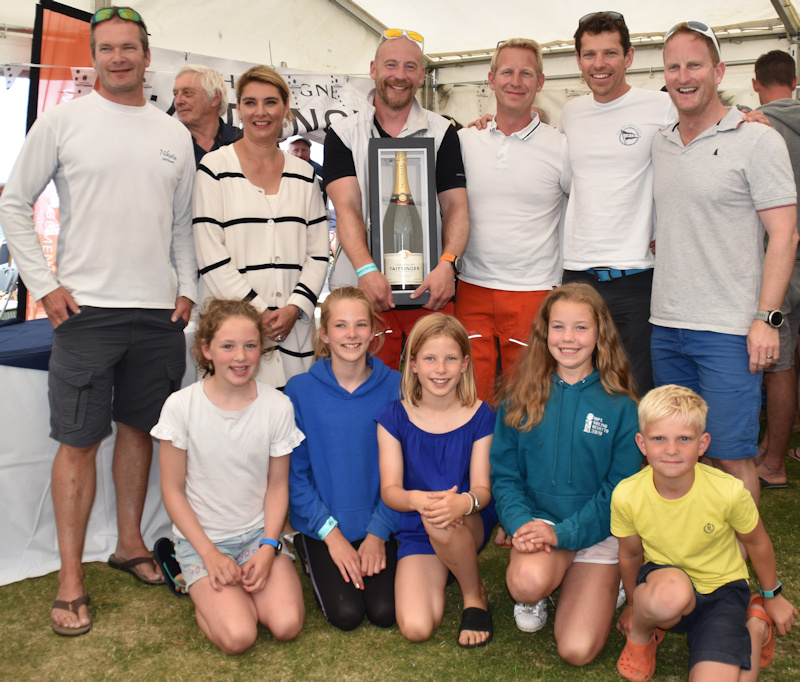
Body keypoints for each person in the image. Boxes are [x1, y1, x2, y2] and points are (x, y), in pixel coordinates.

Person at [0, 6, 197, 636]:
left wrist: (188, 289)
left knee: (141, 431)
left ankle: (130, 543)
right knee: (78, 441)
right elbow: (13, 201)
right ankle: (69, 579)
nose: (118, 58)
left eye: (129, 48)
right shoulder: (62, 121)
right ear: (93, 55)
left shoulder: (172, 135)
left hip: (158, 314)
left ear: (147, 54)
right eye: (106, 48)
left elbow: (181, 226)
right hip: (85, 312)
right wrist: (44, 284)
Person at [650, 22, 798, 507]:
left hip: (730, 330)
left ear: (718, 71)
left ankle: (734, 581)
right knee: (681, 457)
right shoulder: (661, 142)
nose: (683, 76)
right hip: (666, 324)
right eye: (674, 66)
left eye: (695, 65)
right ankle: (692, 561)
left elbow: (785, 234)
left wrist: (766, 319)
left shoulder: (757, 139)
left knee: (734, 460)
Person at [490, 283, 641, 665]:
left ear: (600, 334)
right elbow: (505, 475)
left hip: (597, 531)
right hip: (540, 526)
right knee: (526, 584)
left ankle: (604, 582)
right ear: (544, 333)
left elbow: (619, 491)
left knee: (576, 650)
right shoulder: (518, 395)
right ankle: (545, 587)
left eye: (580, 328)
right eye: (558, 327)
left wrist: (566, 533)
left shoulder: (622, 406)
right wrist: (520, 523)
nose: (568, 338)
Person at [612, 384, 798, 681]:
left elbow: (758, 543)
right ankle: (643, 636)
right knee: (669, 594)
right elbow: (630, 553)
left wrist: (772, 595)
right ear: (642, 443)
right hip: (668, 587)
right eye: (659, 438)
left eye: (684, 439)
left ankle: (755, 623)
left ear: (702, 444)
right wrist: (635, 607)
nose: (671, 450)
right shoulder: (627, 494)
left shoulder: (729, 491)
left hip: (722, 593)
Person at [153, 299, 305, 654]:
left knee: (286, 625)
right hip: (204, 542)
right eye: (228, 346)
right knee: (240, 636)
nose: (241, 357)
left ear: (262, 349)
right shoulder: (181, 406)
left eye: (250, 345)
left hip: (257, 536)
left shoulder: (277, 407)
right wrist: (210, 555)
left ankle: (230, 595)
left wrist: (269, 546)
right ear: (206, 350)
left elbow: (277, 485)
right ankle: (195, 584)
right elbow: (172, 491)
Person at [323, 28, 469, 369]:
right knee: (369, 391)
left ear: (420, 75)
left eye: (410, 67)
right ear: (373, 70)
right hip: (364, 292)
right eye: (391, 65)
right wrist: (366, 268)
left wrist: (448, 262)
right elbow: (346, 208)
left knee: (434, 384)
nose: (399, 76)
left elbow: (456, 206)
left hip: (429, 290)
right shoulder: (343, 134)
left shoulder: (443, 131)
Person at [557, 11, 675, 395]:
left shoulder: (661, 107)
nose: (599, 64)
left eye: (610, 53)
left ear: (629, 56)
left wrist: (749, 116)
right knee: (579, 386)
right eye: (589, 54)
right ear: (578, 61)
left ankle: (637, 458)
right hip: (577, 275)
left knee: (637, 388)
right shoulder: (571, 112)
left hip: (637, 276)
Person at [193, 65, 329, 390]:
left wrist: (295, 306)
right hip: (234, 334)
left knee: (293, 430)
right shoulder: (214, 168)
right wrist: (258, 311)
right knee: (233, 429)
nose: (261, 112)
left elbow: (318, 253)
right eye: (250, 102)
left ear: (285, 108)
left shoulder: (305, 174)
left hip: (293, 334)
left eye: (270, 102)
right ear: (238, 109)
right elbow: (210, 252)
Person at [456, 38, 570, 404]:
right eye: (507, 71)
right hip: (471, 288)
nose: (515, 81)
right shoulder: (462, 140)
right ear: (491, 79)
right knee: (473, 402)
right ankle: (477, 465)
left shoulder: (562, 146)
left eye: (526, 73)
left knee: (531, 403)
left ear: (540, 82)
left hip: (534, 291)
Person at [377, 314, 497, 648]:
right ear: (413, 364)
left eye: (450, 359)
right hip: (418, 524)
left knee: (443, 523)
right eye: (430, 358)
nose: (440, 369)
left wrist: (463, 503)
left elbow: (483, 490)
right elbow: (390, 491)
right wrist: (418, 501)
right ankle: (445, 565)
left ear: (464, 364)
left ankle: (474, 595)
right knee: (416, 628)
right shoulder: (393, 417)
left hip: (468, 518)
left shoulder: (481, 415)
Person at [285, 286, 400, 631]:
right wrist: (331, 537)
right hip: (323, 526)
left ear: (374, 331)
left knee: (385, 611)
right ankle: (308, 550)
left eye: (361, 325)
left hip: (380, 523)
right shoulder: (299, 390)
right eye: (340, 326)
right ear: (323, 334)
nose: (351, 334)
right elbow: (295, 476)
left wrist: (378, 534)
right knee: (347, 614)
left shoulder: (397, 386)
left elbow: (406, 470)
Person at [749, 50, 800, 489]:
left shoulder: (754, 124)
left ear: (755, 82)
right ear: (796, 80)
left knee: (778, 363)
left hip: (778, 258)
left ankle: (774, 461)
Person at [172, 64, 242, 167]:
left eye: (187, 93)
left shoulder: (243, 141)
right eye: (175, 94)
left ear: (215, 98)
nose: (178, 101)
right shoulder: (166, 142)